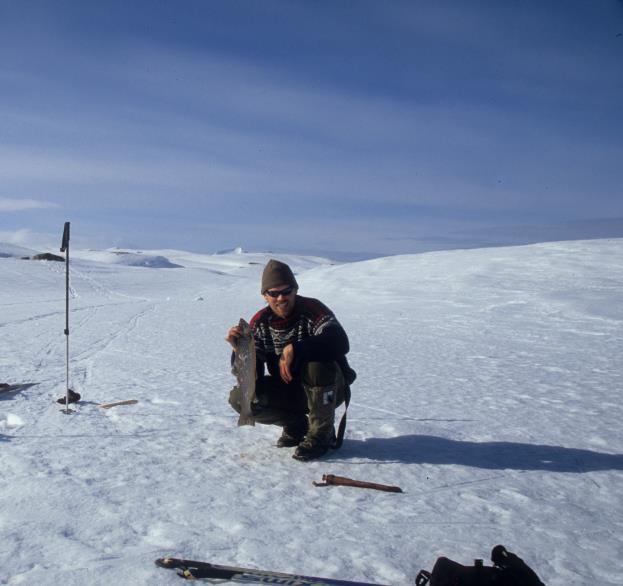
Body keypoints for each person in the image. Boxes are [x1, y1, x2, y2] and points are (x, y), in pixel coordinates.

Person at [226, 259, 356, 461]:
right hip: (289, 390)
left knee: (316, 365)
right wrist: (240, 352)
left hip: (328, 390)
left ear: (295, 289)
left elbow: (339, 341)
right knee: (241, 398)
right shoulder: (259, 323)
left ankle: (321, 433)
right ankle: (296, 424)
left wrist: (297, 348)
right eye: (273, 293)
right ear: (264, 295)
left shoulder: (313, 310)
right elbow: (255, 375)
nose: (281, 298)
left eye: (286, 291)